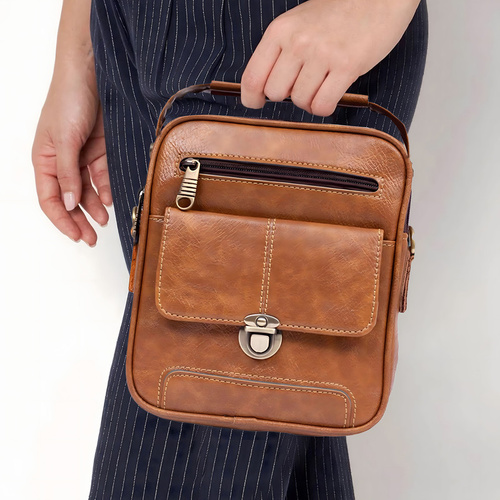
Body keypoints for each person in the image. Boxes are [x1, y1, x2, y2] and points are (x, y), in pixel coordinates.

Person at [32, 0, 428, 498]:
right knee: (255, 409)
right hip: (133, 24)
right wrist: (79, 59)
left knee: (200, 423)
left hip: (276, 28)